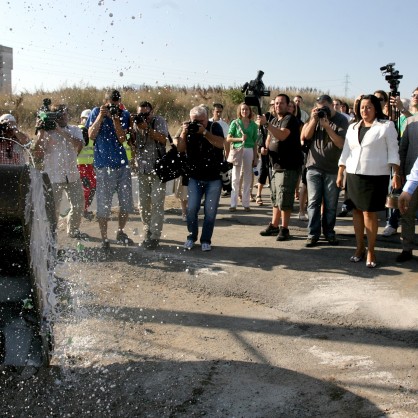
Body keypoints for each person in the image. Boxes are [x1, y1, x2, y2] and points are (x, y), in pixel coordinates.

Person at [337, 94, 400, 268]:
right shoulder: (353, 127)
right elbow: (346, 151)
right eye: (362, 107)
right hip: (353, 174)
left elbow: (393, 151)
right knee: (356, 211)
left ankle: (371, 250)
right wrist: (341, 172)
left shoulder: (386, 126)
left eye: (369, 107)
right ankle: (359, 247)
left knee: (369, 213)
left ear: (376, 109)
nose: (365, 110)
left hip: (375, 175)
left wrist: (396, 174)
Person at [86, 89, 134, 251]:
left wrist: (115, 119)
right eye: (111, 105)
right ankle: (104, 238)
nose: (114, 107)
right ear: (105, 102)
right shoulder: (95, 112)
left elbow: (122, 139)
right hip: (103, 165)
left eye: (117, 104)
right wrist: (101, 116)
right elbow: (91, 135)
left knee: (126, 203)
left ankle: (120, 231)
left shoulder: (124, 114)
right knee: (103, 205)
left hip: (122, 165)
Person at [174, 105, 225, 251]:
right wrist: (183, 133)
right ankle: (191, 236)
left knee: (210, 211)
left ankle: (206, 239)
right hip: (194, 177)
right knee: (191, 209)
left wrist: (205, 133)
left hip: (213, 177)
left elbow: (221, 144)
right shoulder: (187, 128)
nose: (197, 124)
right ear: (190, 119)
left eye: (201, 121)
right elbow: (180, 149)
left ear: (206, 118)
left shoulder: (214, 126)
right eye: (194, 121)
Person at [301, 94, 349, 247]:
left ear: (331, 105)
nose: (323, 111)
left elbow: (341, 144)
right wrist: (314, 120)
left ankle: (329, 232)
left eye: (325, 108)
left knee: (331, 204)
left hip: (333, 168)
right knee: (313, 202)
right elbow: (305, 136)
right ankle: (313, 233)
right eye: (320, 108)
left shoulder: (341, 120)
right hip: (314, 166)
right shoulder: (314, 116)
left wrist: (327, 127)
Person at [32, 104, 86, 239]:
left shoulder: (74, 130)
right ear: (53, 116)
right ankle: (51, 234)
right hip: (53, 177)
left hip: (72, 175)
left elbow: (78, 145)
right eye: (59, 114)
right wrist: (41, 132)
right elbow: (37, 154)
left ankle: (73, 230)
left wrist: (59, 130)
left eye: (65, 114)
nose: (63, 116)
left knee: (79, 205)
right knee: (53, 210)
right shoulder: (46, 133)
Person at [257, 94, 303, 241]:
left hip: (288, 165)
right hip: (275, 165)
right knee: (275, 198)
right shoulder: (275, 120)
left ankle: (285, 228)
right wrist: (264, 149)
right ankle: (274, 225)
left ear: (288, 105)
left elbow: (282, 136)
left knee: (285, 198)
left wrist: (266, 124)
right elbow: (270, 139)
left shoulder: (290, 119)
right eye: (276, 103)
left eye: (281, 103)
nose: (278, 105)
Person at [130, 101, 168, 250]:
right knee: (143, 204)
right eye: (141, 114)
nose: (143, 117)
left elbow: (163, 139)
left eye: (146, 114)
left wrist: (147, 128)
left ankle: (155, 236)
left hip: (158, 169)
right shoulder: (135, 123)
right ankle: (148, 230)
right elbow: (134, 144)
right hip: (142, 169)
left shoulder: (159, 121)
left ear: (152, 112)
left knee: (157, 203)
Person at [227, 103, 258, 212]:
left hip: (249, 150)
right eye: (243, 109)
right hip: (238, 150)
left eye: (247, 109)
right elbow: (228, 138)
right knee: (235, 177)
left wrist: (256, 156)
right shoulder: (235, 123)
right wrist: (240, 139)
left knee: (248, 177)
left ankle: (246, 203)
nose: (245, 111)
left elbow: (255, 142)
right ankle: (233, 204)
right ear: (239, 111)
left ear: (250, 111)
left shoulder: (254, 125)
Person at [396, 111, 418, 262]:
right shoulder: (410, 122)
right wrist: (401, 173)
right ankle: (407, 248)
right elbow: (403, 148)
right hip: (412, 175)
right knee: (407, 213)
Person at [76, 109, 96, 220]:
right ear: (81, 119)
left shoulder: (91, 131)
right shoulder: (80, 130)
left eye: (90, 119)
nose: (88, 121)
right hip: (80, 165)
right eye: (85, 119)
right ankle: (82, 210)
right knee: (86, 188)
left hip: (89, 166)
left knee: (92, 188)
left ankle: (84, 208)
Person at [255, 99, 275, 206]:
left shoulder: (281, 117)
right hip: (265, 148)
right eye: (272, 104)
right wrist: (260, 147)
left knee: (273, 173)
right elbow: (259, 133)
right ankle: (258, 194)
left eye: (275, 104)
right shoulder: (265, 116)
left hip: (276, 149)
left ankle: (274, 196)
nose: (274, 106)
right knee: (263, 170)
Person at [209, 103, 230, 197]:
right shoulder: (207, 122)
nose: (218, 114)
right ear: (212, 111)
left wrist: (227, 155)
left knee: (219, 174)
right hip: (207, 152)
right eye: (217, 111)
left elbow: (226, 141)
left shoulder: (224, 125)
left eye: (220, 112)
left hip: (218, 152)